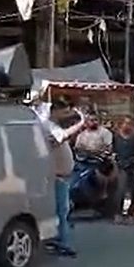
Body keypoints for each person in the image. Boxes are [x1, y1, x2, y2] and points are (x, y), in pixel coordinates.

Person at [40, 100, 86, 258]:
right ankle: (63, 242)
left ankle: (59, 239)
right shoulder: (48, 126)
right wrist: (81, 123)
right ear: (54, 111)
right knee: (61, 211)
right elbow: (63, 136)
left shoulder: (52, 126)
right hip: (57, 176)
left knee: (63, 209)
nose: (66, 115)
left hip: (62, 175)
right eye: (64, 112)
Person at [112, 116, 134, 224]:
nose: (128, 126)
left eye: (130, 123)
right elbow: (112, 152)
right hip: (121, 166)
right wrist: (115, 164)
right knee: (120, 191)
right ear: (121, 124)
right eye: (126, 123)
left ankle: (131, 213)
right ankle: (118, 213)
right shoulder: (116, 138)